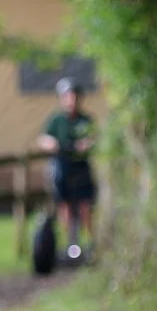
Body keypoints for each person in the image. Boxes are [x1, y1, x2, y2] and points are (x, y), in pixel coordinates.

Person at [37, 78, 96, 257]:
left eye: (75, 96)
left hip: (81, 168)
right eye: (68, 96)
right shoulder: (56, 120)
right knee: (65, 205)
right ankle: (71, 243)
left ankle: (90, 243)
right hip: (62, 168)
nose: (72, 100)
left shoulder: (85, 120)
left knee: (85, 206)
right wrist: (52, 144)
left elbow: (93, 138)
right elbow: (43, 139)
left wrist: (86, 144)